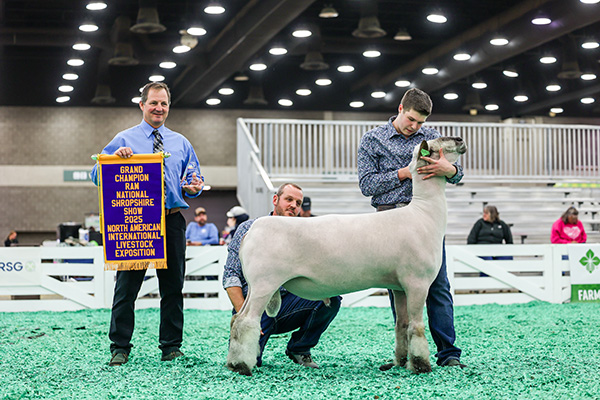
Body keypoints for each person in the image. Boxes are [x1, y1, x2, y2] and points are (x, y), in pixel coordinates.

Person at [91, 82, 204, 366]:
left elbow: (193, 180)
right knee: (126, 288)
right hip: (136, 221)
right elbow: (96, 174)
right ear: (142, 105)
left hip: (172, 220)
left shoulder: (181, 143)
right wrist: (114, 160)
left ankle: (171, 346)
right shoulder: (124, 139)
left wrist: (194, 188)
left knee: (173, 287)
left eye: (164, 103)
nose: (159, 108)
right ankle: (119, 347)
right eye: (153, 102)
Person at [357, 87, 465, 369]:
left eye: (420, 122)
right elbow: (367, 185)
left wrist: (450, 170)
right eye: (411, 120)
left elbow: (458, 174)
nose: (415, 127)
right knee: (398, 289)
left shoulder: (431, 138)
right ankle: (404, 353)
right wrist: (404, 173)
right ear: (401, 108)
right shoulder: (373, 139)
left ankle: (448, 353)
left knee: (438, 285)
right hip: (389, 220)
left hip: (425, 222)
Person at [222, 183, 341, 368]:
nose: (294, 205)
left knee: (331, 299)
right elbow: (231, 275)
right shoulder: (249, 228)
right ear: (275, 200)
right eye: (289, 199)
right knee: (245, 364)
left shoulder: (305, 235)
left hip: (290, 303)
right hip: (255, 306)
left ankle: (299, 348)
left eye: (298, 203)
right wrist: (245, 318)